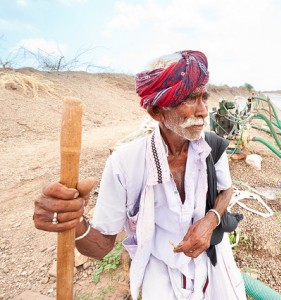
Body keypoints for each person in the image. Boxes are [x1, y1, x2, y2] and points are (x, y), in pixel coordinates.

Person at [33, 50, 246, 299]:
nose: (203, 111)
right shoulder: (124, 164)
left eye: (204, 98)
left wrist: (210, 221)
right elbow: (101, 246)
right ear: (157, 113)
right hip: (161, 270)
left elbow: (226, 190)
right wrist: (74, 222)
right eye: (189, 99)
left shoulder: (213, 147)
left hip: (214, 262)